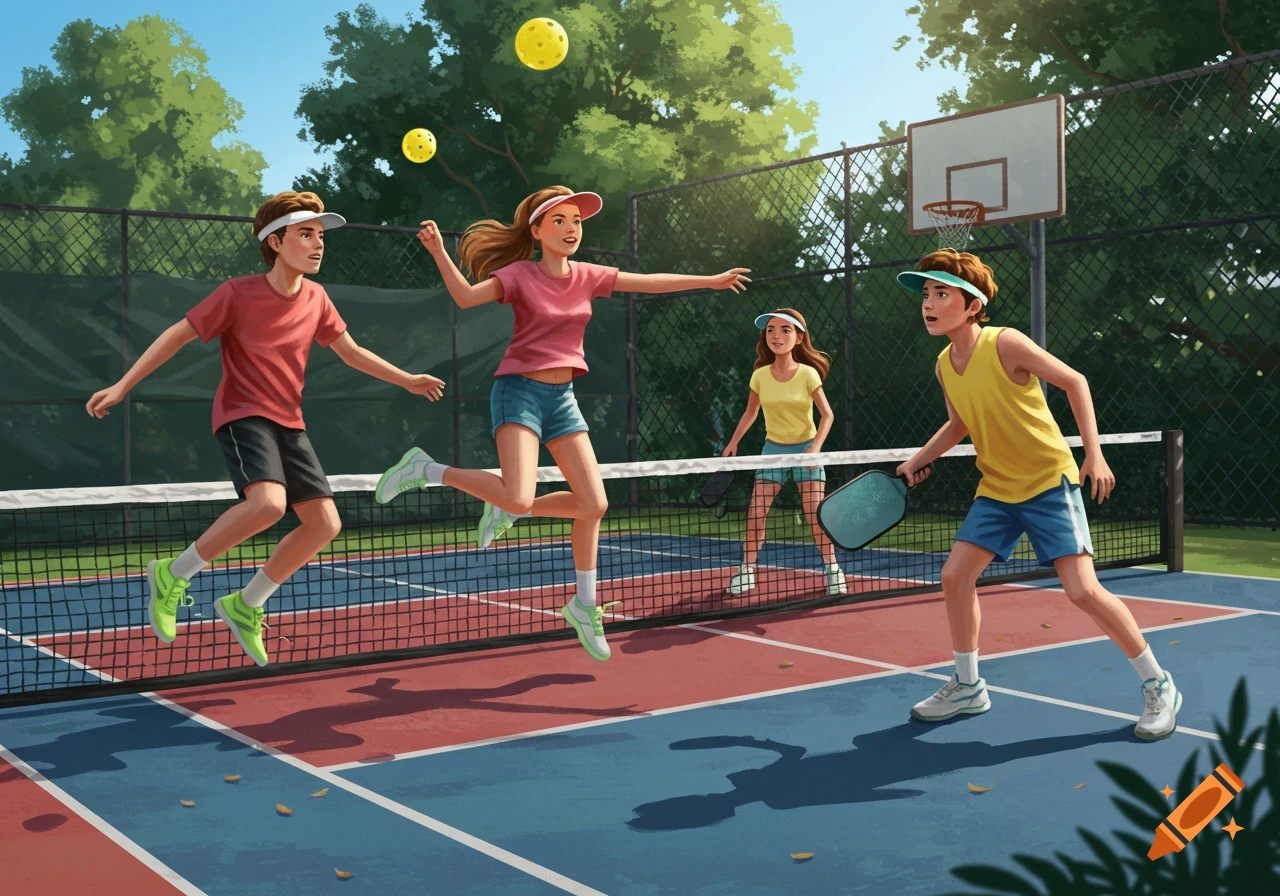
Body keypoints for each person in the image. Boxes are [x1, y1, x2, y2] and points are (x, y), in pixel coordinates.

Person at [374, 186, 750, 661]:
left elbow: (648, 281)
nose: (572, 227)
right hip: (519, 392)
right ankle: (425, 470)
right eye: (559, 220)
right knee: (516, 495)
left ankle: (582, 603)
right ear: (536, 232)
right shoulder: (518, 275)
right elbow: (467, 298)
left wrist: (710, 280)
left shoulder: (589, 276)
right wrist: (440, 253)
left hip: (563, 398)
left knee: (593, 504)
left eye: (577, 220)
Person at [86, 191, 444, 667]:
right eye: (305, 234)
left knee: (324, 523)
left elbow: (352, 352)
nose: (318, 244)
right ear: (275, 242)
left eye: (319, 235)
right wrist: (122, 385)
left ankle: (246, 603)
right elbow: (177, 334)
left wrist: (408, 380)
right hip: (242, 414)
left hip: (289, 421)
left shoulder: (317, 297)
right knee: (270, 505)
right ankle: (173, 574)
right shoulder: (237, 293)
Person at [893, 248, 1180, 740]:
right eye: (926, 293)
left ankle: (1159, 683)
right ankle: (967, 685)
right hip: (997, 488)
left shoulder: (1005, 343)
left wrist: (1095, 454)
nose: (930, 303)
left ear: (972, 304)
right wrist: (921, 458)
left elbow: (1075, 382)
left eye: (942, 293)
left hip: (1048, 481)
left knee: (1081, 590)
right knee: (955, 576)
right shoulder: (944, 364)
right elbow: (960, 423)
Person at [720, 308, 846, 597]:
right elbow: (750, 414)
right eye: (771, 331)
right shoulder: (760, 376)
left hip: (806, 449)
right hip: (772, 450)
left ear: (799, 338)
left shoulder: (808, 373)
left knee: (816, 515)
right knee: (755, 514)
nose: (776, 336)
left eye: (785, 330)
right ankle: (746, 571)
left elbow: (827, 415)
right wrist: (733, 442)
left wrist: (815, 449)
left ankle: (833, 570)